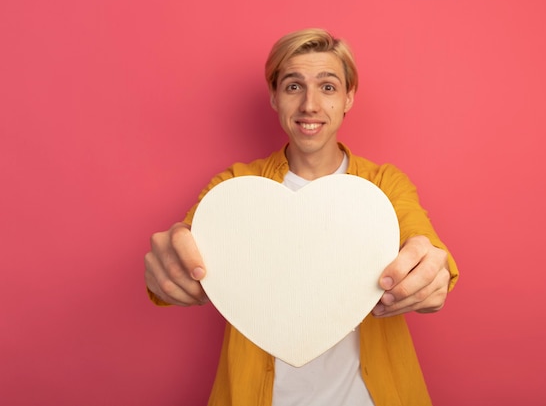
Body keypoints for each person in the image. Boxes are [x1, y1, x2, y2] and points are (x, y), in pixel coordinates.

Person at [145, 28, 459, 406]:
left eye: (328, 87)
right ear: (274, 98)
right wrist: (169, 264)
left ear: (349, 98)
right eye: (294, 87)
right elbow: (187, 243)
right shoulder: (236, 186)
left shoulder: (383, 185)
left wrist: (432, 270)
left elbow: (421, 240)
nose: (310, 105)